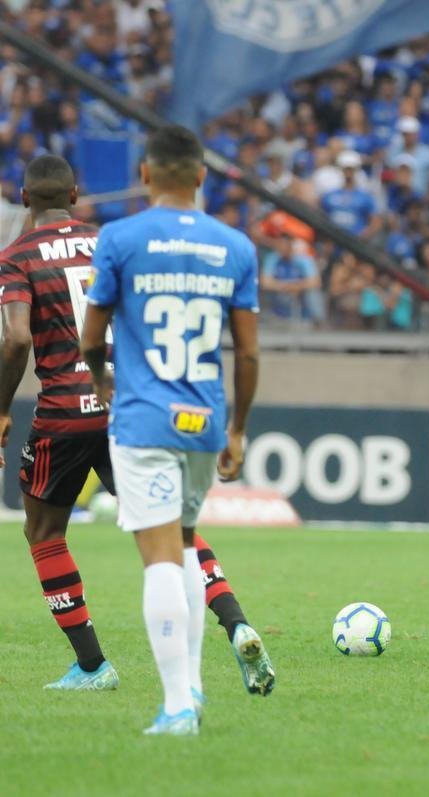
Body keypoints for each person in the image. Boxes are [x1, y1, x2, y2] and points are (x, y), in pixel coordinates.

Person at [0, 154, 273, 697]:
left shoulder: (17, 256)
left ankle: (92, 664)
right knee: (173, 531)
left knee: (44, 532)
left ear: (26, 200)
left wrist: (3, 408)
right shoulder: (110, 242)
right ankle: (236, 621)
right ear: (76, 195)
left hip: (62, 413)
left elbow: (18, 338)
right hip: (128, 405)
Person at [79, 126, 262, 735]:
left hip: (143, 419)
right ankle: (196, 688)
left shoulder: (120, 238)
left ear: (148, 175)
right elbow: (249, 353)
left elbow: (90, 336)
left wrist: (105, 385)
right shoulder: (234, 246)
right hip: (205, 421)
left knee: (158, 556)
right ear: (202, 176)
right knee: (184, 543)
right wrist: (237, 430)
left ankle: (178, 705)